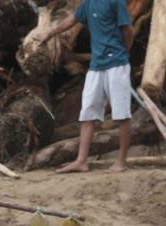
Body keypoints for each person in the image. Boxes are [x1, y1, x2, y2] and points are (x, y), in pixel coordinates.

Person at [40, 0, 134, 173]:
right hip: (96, 66)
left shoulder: (116, 2)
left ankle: (121, 161)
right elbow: (71, 20)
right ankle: (81, 160)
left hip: (117, 64)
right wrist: (50, 33)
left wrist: (124, 52)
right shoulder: (88, 4)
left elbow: (128, 30)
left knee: (121, 113)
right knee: (88, 113)